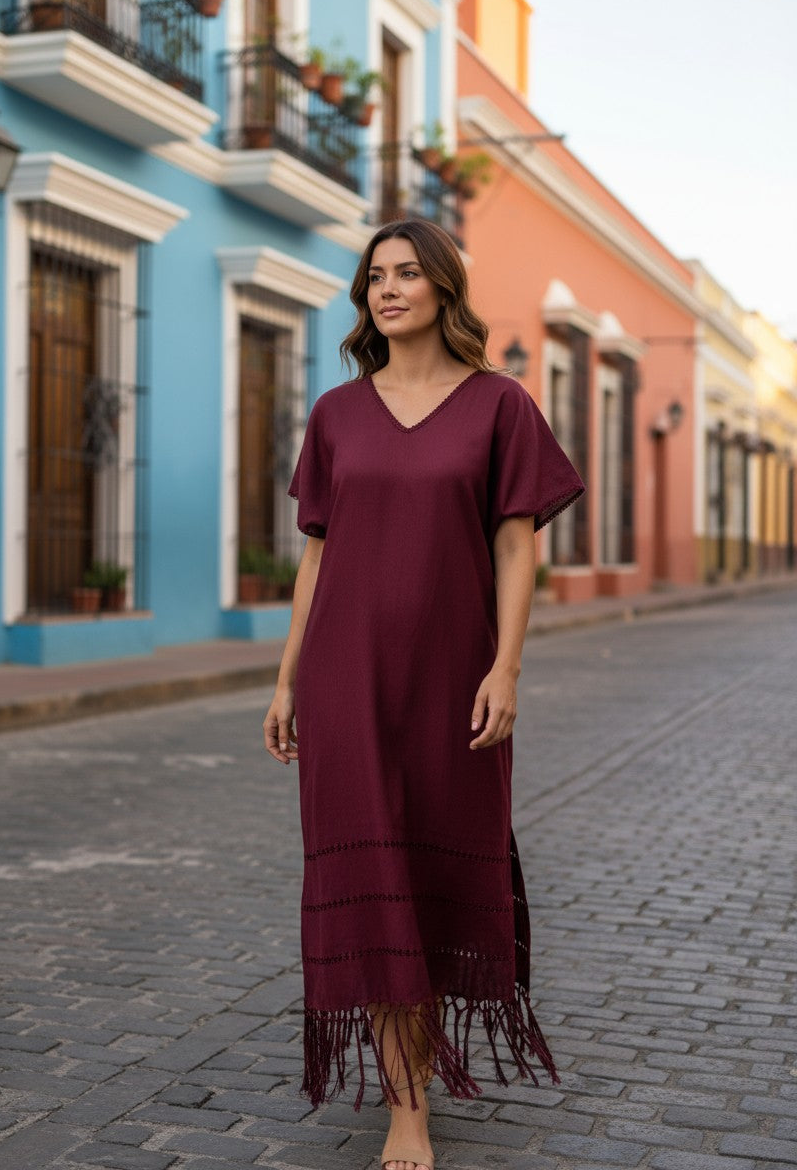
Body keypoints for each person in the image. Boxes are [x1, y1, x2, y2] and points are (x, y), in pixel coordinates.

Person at [263, 217, 585, 1170]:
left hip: (453, 681)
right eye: (374, 279)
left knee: (435, 881)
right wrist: (285, 680)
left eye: (408, 274)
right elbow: (315, 558)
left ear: (445, 288)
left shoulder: (500, 405)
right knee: (373, 889)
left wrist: (507, 667)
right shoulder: (336, 414)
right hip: (344, 685)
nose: (388, 290)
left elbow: (516, 543)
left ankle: (422, 1076)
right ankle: (408, 1108)